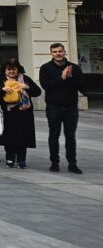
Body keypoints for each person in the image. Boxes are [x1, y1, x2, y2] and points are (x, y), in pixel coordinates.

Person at [39, 43, 86, 174]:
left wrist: (71, 77)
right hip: (54, 107)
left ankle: (72, 164)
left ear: (65, 52)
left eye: (60, 51)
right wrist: (62, 78)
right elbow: (46, 86)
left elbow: (82, 86)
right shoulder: (46, 68)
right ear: (51, 54)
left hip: (71, 107)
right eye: (55, 52)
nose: (58, 54)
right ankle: (54, 163)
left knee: (70, 136)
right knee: (54, 135)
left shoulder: (74, 68)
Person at [0, 59, 42, 168]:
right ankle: (10, 158)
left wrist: (26, 87)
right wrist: (2, 89)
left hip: (23, 112)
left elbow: (38, 92)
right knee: (9, 137)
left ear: (18, 70)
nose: (11, 72)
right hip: (7, 112)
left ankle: (21, 159)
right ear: (4, 70)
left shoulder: (25, 79)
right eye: (9, 69)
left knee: (23, 136)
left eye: (14, 69)